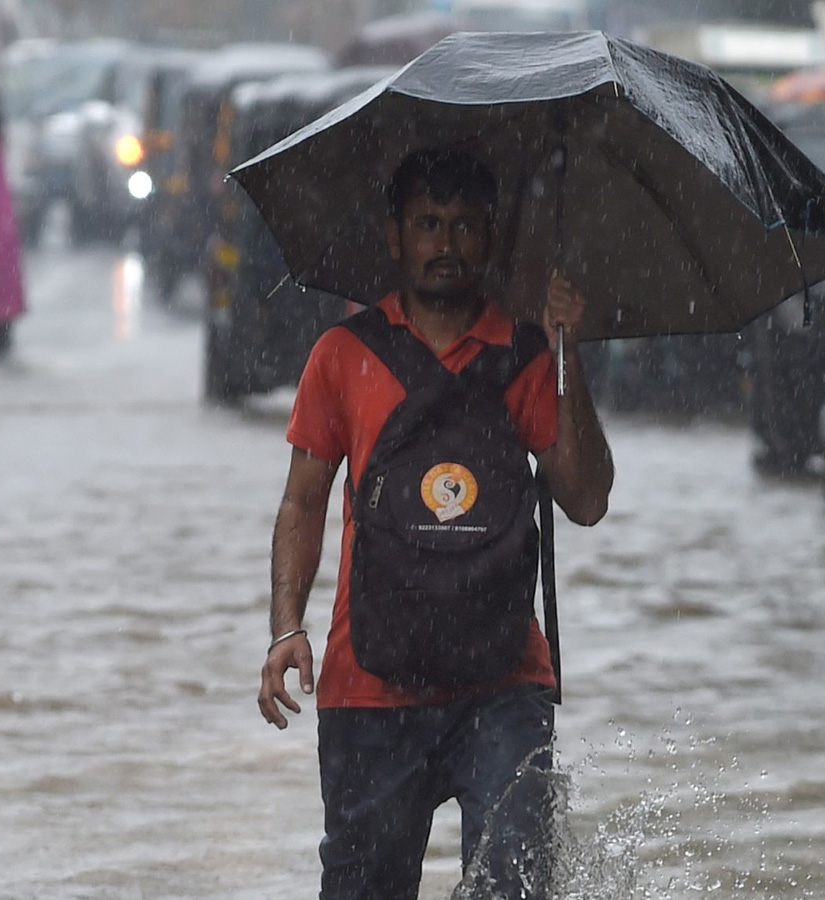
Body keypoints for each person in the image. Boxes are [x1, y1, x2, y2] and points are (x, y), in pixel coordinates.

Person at [258, 148, 614, 900]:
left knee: (514, 885)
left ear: (489, 238)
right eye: (427, 224)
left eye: (463, 226)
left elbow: (585, 499)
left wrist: (565, 353)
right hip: (368, 687)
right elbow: (302, 500)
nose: (445, 244)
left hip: (506, 682)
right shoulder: (342, 355)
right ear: (395, 237)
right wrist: (286, 628)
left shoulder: (524, 354)